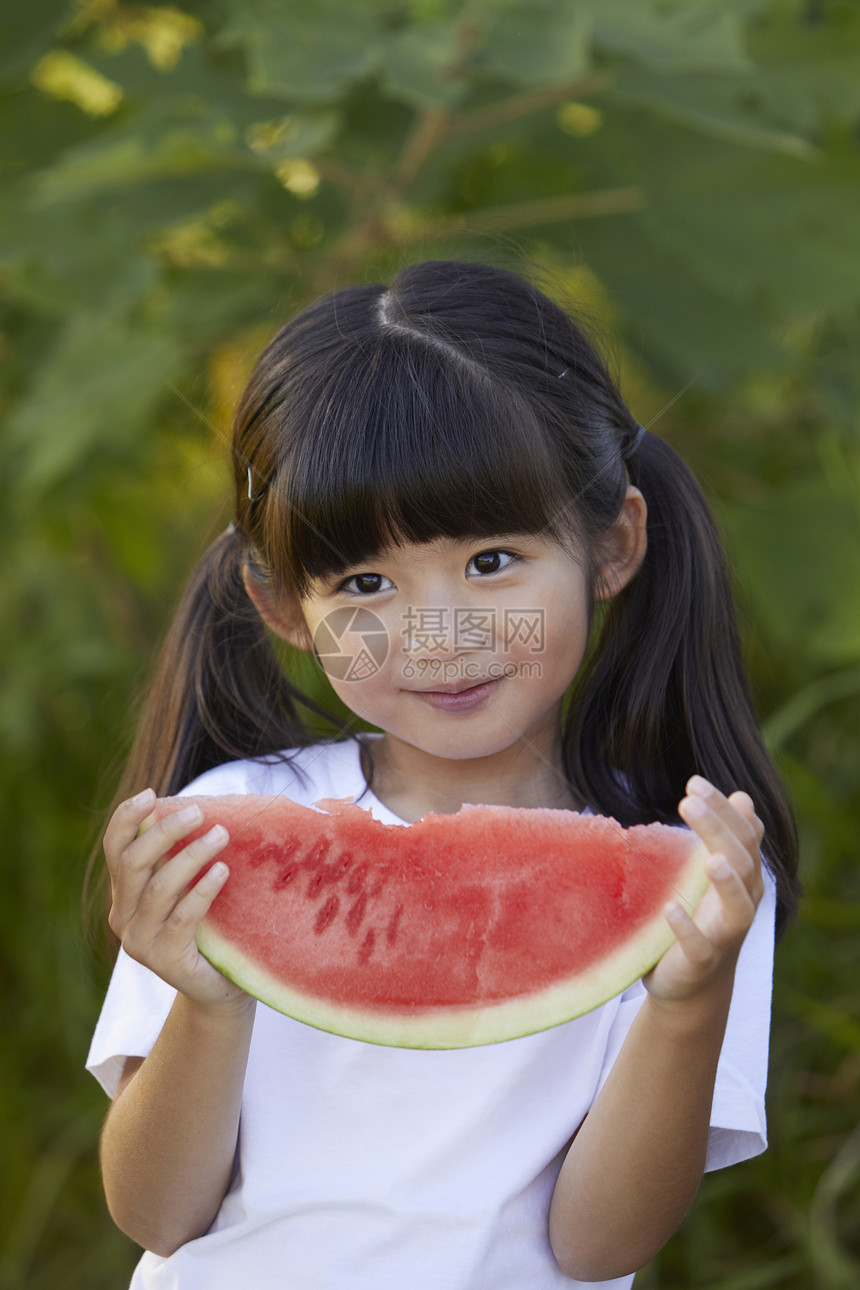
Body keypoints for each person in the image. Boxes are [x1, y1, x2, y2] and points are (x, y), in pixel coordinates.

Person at [87, 260, 799, 1289]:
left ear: (611, 546)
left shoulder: (701, 886)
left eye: (490, 561)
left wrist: (686, 1005)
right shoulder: (225, 825)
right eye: (364, 582)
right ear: (285, 606)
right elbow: (156, 1213)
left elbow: (597, 1245)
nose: (436, 633)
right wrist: (209, 1002)